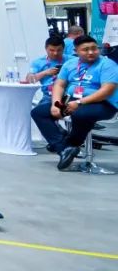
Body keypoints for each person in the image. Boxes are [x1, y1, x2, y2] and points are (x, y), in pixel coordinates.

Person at [42, 35, 118, 170]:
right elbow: (59, 84)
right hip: (73, 101)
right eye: (85, 49)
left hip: (104, 104)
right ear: (76, 51)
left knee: (80, 114)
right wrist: (55, 103)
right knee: (39, 112)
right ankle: (63, 149)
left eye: (94, 48)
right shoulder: (70, 64)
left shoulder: (108, 65)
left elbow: (107, 91)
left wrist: (79, 103)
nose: (91, 52)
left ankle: (70, 143)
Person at [27, 36, 70, 152]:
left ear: (63, 49)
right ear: (46, 48)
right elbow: (30, 79)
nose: (55, 53)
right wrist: (46, 72)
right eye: (52, 50)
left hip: (67, 97)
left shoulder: (71, 60)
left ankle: (60, 141)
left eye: (59, 50)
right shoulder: (38, 62)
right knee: (40, 113)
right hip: (48, 96)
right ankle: (61, 138)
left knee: (43, 113)